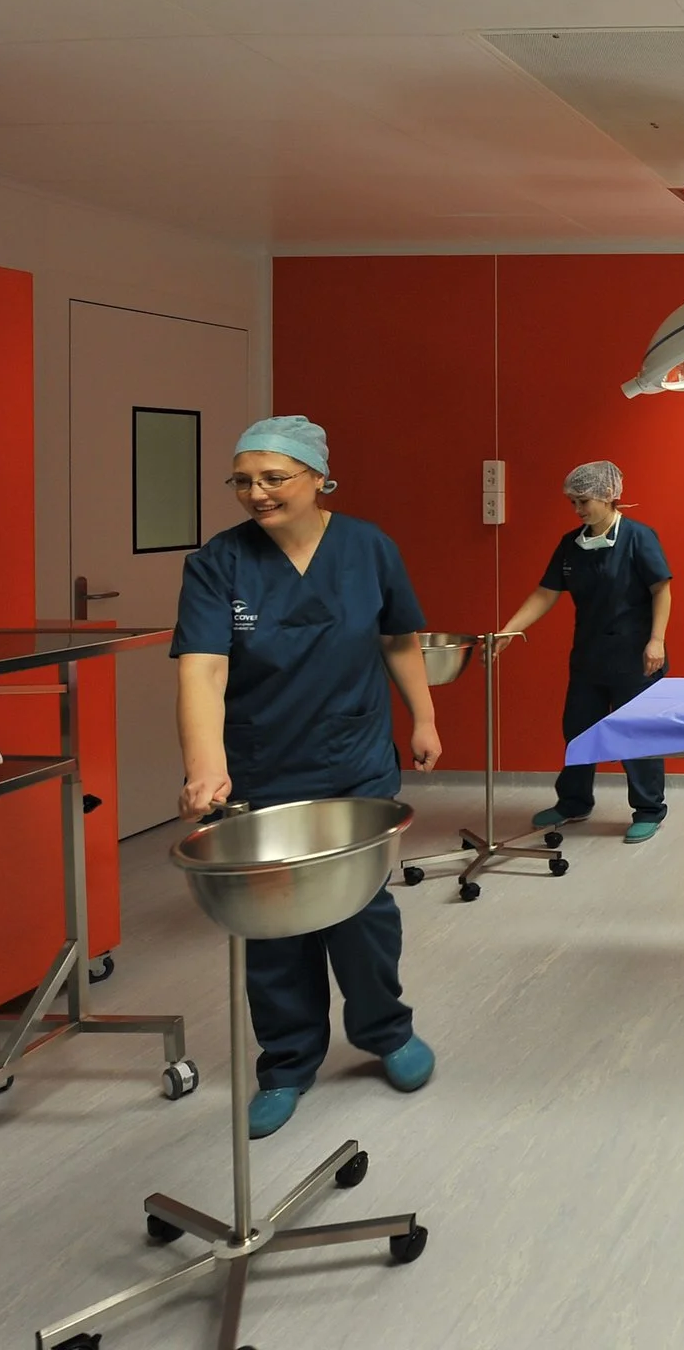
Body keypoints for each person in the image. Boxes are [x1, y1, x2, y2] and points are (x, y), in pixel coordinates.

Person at [173, 415, 441, 1140]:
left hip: (354, 759)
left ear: (319, 476)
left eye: (272, 478)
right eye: (241, 481)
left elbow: (399, 637)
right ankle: (287, 1064)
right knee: (274, 927)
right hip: (264, 764)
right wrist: (207, 767)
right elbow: (203, 668)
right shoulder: (217, 565)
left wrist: (422, 717)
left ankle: (386, 1032)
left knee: (362, 913)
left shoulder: (367, 547)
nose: (255, 494)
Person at [498, 460, 673, 845]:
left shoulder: (639, 537)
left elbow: (661, 589)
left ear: (610, 496)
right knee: (578, 731)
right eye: (573, 503)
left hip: (636, 658)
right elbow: (546, 592)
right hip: (590, 658)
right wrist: (510, 629)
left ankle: (649, 809)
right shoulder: (570, 545)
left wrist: (656, 640)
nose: (578, 510)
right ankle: (574, 801)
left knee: (636, 734)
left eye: (584, 501)